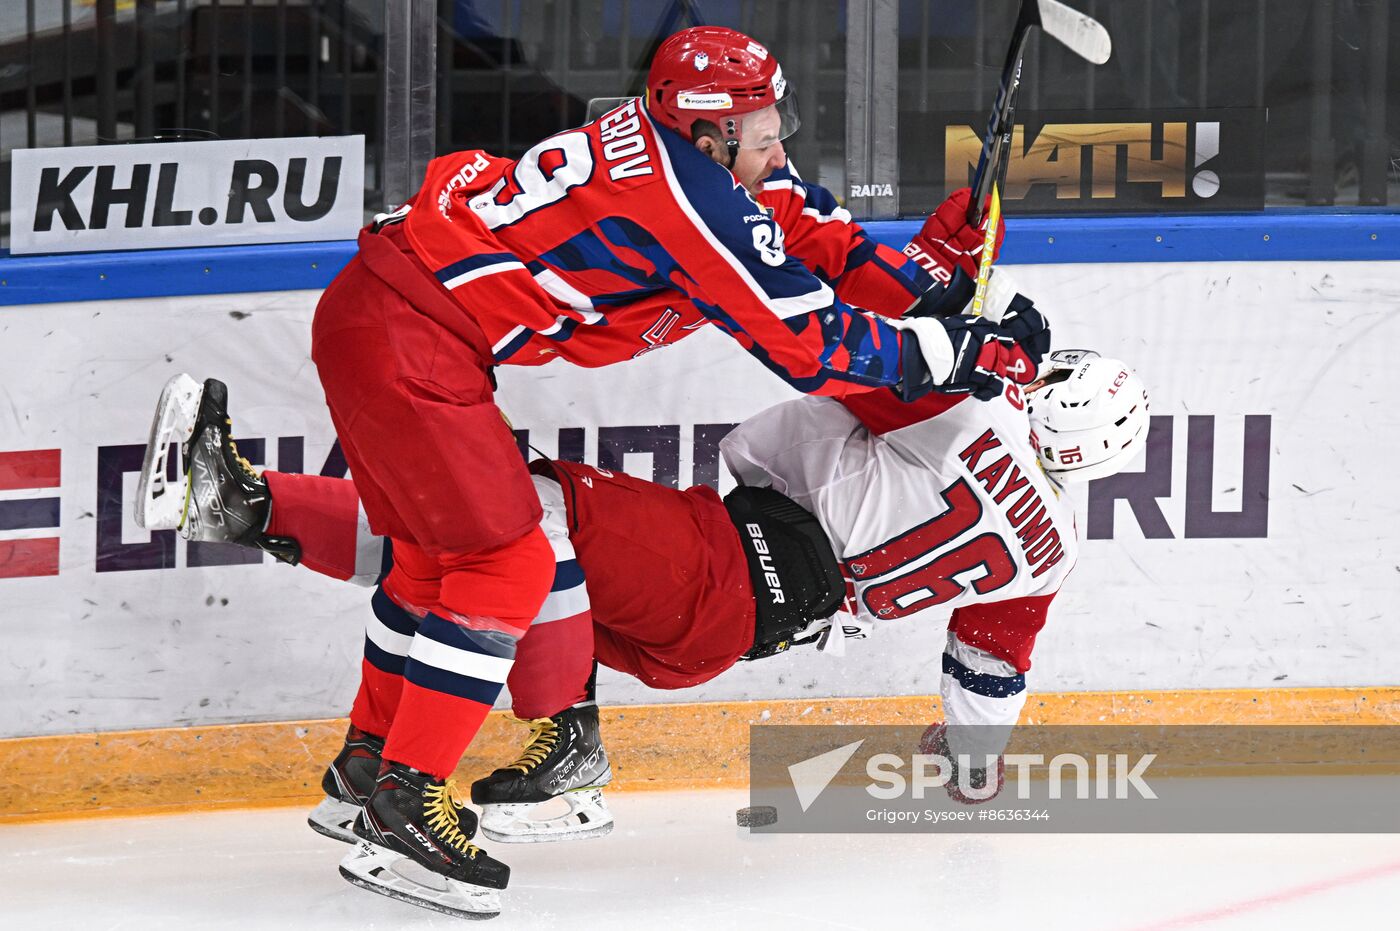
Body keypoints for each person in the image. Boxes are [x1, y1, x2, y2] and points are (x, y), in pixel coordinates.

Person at [136, 25, 1049, 920]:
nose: (783, 141)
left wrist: (935, 281)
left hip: (391, 317)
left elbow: (820, 245)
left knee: (431, 557)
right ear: (710, 133)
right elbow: (813, 349)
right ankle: (407, 804)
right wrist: (962, 348)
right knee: (509, 563)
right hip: (413, 342)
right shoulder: (693, 205)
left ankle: (366, 768)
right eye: (765, 128)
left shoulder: (698, 165)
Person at [142, 345, 1146, 827]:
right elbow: (987, 671)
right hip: (730, 628)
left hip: (723, 564)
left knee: (517, 509)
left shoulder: (962, 414)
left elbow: (830, 353)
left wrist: (944, 327)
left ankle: (569, 749)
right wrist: (970, 769)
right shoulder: (1049, 550)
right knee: (469, 553)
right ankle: (240, 506)